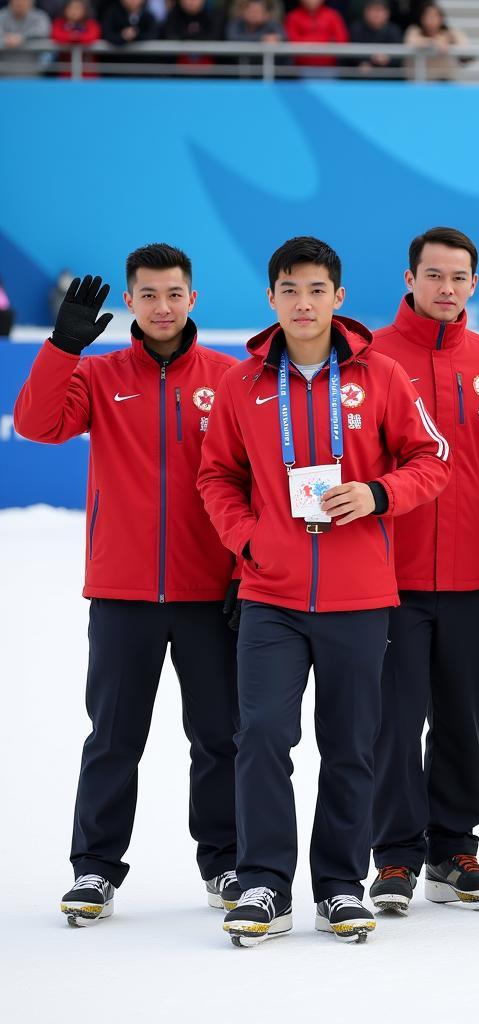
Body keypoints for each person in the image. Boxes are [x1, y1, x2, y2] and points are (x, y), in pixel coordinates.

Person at [196, 236, 451, 947]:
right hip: (270, 597)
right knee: (263, 737)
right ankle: (263, 884)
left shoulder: (384, 376)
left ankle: (340, 885)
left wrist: (378, 493)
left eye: (316, 290)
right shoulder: (244, 385)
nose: (302, 303)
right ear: (270, 299)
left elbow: (433, 460)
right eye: (289, 290)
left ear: (339, 298)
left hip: (359, 597)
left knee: (350, 746)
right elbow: (216, 476)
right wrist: (250, 539)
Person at [13, 244, 242, 927]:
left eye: (174, 293)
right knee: (113, 737)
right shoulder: (101, 374)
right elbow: (35, 425)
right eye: (148, 294)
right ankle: (94, 871)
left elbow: (248, 480)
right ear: (132, 303)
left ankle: (226, 861)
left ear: (193, 299)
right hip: (122, 592)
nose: (163, 306)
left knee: (220, 738)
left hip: (209, 594)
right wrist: (61, 348)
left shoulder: (228, 379)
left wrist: (241, 569)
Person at [367, 227, 479, 915]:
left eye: (458, 277)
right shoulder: (370, 356)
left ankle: (454, 849)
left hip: (471, 576)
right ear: (409, 278)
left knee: (461, 719)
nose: (445, 288)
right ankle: (397, 858)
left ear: (474, 283)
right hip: (387, 576)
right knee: (395, 720)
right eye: (432, 275)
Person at [403, 2, 469, 81]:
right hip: (420, 81)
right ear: (422, 18)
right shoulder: (414, 30)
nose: (432, 19)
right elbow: (411, 42)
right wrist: (433, 42)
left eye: (435, 16)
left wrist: (448, 40)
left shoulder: (450, 32)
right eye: (428, 16)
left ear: (441, 18)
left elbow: (465, 48)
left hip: (444, 81)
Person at [283, 0, 349, 71]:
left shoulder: (333, 15)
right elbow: (291, 41)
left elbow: (342, 39)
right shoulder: (293, 17)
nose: (311, 1)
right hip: (300, 68)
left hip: (330, 67)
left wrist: (306, 41)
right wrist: (326, 41)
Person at [161, 0, 223, 68]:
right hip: (175, 70)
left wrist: (188, 35)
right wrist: (195, 35)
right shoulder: (172, 16)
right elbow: (169, 36)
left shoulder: (213, 15)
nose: (191, 1)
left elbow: (215, 37)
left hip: (213, 71)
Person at [348, 0, 402, 76]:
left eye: (380, 10)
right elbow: (350, 55)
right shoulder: (356, 29)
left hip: (388, 78)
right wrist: (365, 61)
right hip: (360, 77)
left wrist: (387, 60)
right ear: (366, 12)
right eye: (373, 10)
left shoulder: (394, 30)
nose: (376, 14)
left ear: (387, 13)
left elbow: (399, 57)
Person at [51, 0, 101, 77]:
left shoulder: (91, 24)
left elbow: (92, 37)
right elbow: (56, 35)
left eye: (78, 8)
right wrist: (73, 36)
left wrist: (75, 37)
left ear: (84, 10)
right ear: (65, 9)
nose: (74, 11)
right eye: (71, 8)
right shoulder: (59, 23)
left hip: (88, 75)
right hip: (65, 74)